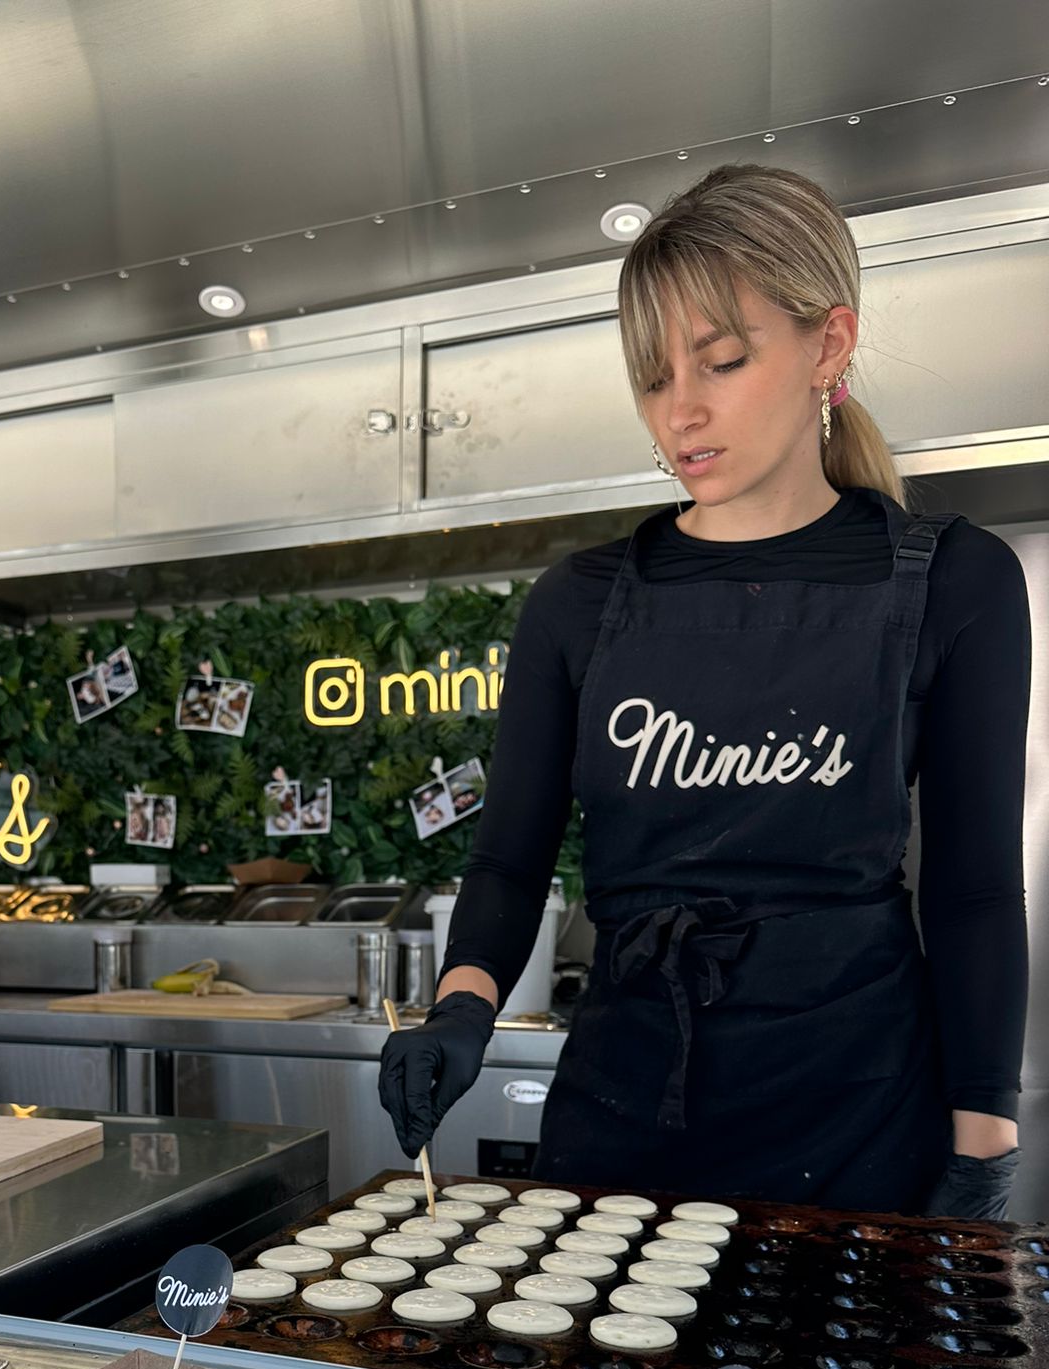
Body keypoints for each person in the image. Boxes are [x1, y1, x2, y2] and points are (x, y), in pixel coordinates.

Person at [379, 163, 1031, 1219]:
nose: (680, 411)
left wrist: (983, 1141)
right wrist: (461, 1010)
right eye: (652, 377)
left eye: (722, 361)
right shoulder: (577, 604)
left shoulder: (956, 581)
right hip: (623, 1117)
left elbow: (974, 893)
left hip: (860, 1127)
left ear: (829, 344)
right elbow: (508, 860)